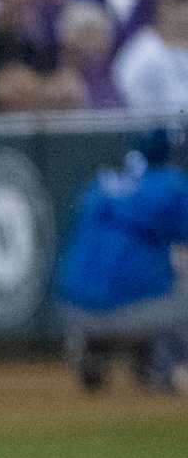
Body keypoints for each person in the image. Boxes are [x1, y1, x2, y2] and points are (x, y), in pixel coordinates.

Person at [55, 122, 188, 391]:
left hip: (71, 309)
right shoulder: (171, 184)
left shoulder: (99, 183)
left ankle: (91, 347)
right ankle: (162, 363)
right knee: (178, 274)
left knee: (131, 265)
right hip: (136, 312)